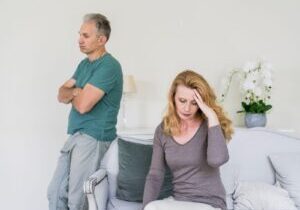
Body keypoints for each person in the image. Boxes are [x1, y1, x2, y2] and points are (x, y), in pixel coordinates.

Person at [47, 13, 123, 210]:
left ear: (102, 39)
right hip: (76, 136)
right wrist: (76, 92)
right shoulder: (84, 65)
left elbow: (83, 106)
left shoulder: (109, 66)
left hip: (93, 137)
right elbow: (61, 94)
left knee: (77, 200)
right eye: (80, 34)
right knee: (55, 192)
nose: (80, 40)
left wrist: (75, 95)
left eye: (86, 36)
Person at [142, 70, 233, 210]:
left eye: (194, 103)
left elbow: (217, 160)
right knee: (151, 207)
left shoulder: (210, 125)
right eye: (182, 101)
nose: (187, 108)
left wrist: (212, 116)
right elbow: (155, 175)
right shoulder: (162, 130)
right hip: (179, 201)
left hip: (210, 203)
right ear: (173, 98)